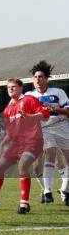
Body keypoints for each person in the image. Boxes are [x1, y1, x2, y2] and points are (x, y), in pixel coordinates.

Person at [0, 79, 49, 216]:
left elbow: (44, 115)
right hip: (17, 144)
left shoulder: (29, 100)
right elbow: (11, 133)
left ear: (21, 88)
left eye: (14, 87)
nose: (11, 89)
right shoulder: (7, 110)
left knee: (22, 166)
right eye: (8, 88)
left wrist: (29, 116)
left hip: (33, 141)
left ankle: (24, 203)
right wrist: (2, 143)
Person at [26, 60, 69, 206]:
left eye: (41, 77)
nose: (37, 79)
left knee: (59, 159)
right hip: (42, 130)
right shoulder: (28, 96)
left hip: (61, 127)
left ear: (46, 79)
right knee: (36, 165)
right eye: (35, 77)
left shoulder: (58, 92)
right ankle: (46, 190)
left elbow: (68, 111)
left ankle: (63, 190)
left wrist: (54, 109)